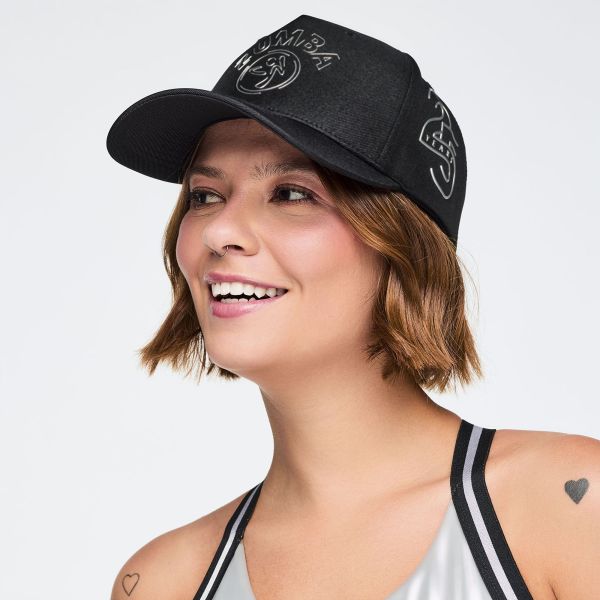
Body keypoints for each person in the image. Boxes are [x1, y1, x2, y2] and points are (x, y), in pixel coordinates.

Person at [106, 14, 600, 600]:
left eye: (291, 193)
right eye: (206, 195)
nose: (219, 231)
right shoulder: (164, 582)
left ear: (402, 246)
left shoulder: (565, 507)